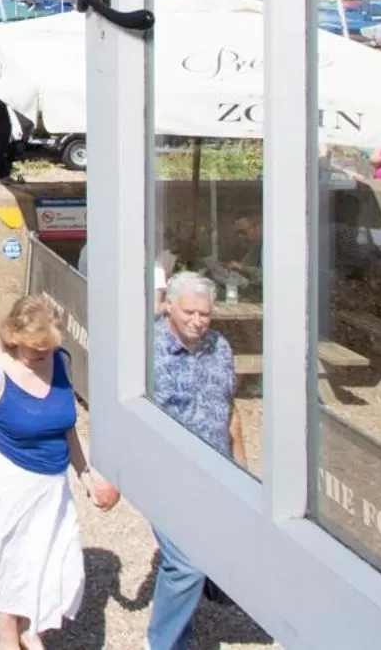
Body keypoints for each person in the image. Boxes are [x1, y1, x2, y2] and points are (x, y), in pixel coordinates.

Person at [0, 294, 119, 650]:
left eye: (47, 350)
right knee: (7, 559)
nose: (41, 357)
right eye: (33, 351)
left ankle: (32, 625)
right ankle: (10, 637)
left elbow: (65, 426)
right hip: (8, 480)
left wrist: (86, 474)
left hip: (52, 485)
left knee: (52, 557)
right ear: (14, 339)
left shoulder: (61, 362)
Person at [146, 273, 248, 650]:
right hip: (168, 476)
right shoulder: (147, 352)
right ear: (168, 306)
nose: (198, 321)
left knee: (193, 563)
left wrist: (242, 472)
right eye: (189, 312)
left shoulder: (220, 346)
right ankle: (161, 643)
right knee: (187, 564)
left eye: (205, 313)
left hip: (215, 474)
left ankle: (179, 636)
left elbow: (229, 410)